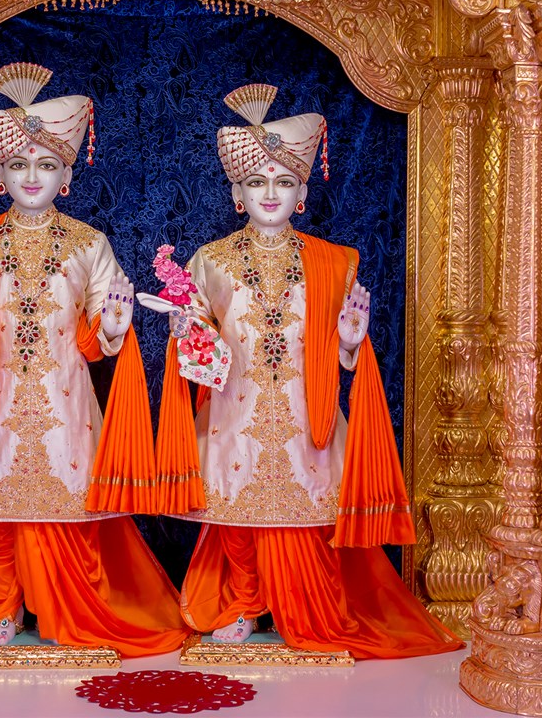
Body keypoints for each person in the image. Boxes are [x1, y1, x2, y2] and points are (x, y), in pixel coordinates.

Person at [156, 83, 463, 658]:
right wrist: (186, 332)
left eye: (283, 181)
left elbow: (344, 350)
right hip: (234, 409)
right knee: (237, 514)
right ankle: (244, 602)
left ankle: (308, 608)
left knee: (310, 513)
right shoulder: (210, 261)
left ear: (302, 191)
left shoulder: (333, 262)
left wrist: (349, 343)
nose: (270, 193)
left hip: (307, 413)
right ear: (236, 192)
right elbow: (195, 340)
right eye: (256, 182)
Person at [0, 63, 188, 656]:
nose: (32, 177)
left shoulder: (89, 244)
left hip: (64, 404)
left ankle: (67, 609)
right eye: (19, 164)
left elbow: (101, 332)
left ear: (68, 174)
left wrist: (112, 326)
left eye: (47, 165)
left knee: (67, 517)